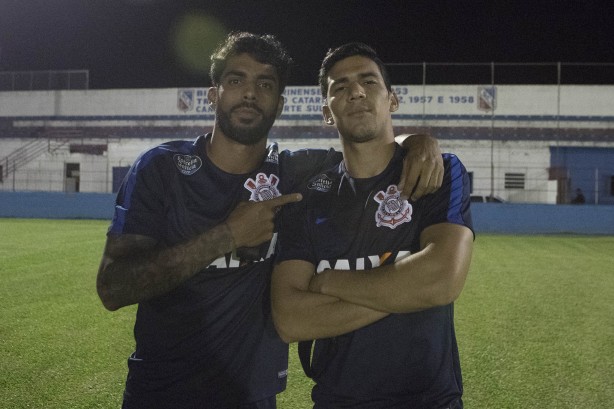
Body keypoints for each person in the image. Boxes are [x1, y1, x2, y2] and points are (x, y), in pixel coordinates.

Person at [96, 32, 443, 409]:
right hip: (160, 392)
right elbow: (113, 288)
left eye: (264, 84)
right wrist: (225, 236)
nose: (249, 93)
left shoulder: (297, 172)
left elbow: (370, 148)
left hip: (253, 397)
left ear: (279, 104)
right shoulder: (162, 168)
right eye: (235, 80)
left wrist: (417, 141)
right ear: (214, 95)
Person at [271, 43, 474, 409]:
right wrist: (410, 291)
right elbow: (290, 319)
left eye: (369, 81)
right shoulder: (309, 197)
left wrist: (330, 282)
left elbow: (443, 278)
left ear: (392, 100)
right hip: (338, 401)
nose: (356, 91)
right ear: (326, 113)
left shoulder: (437, 172)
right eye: (340, 86)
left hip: (429, 401)